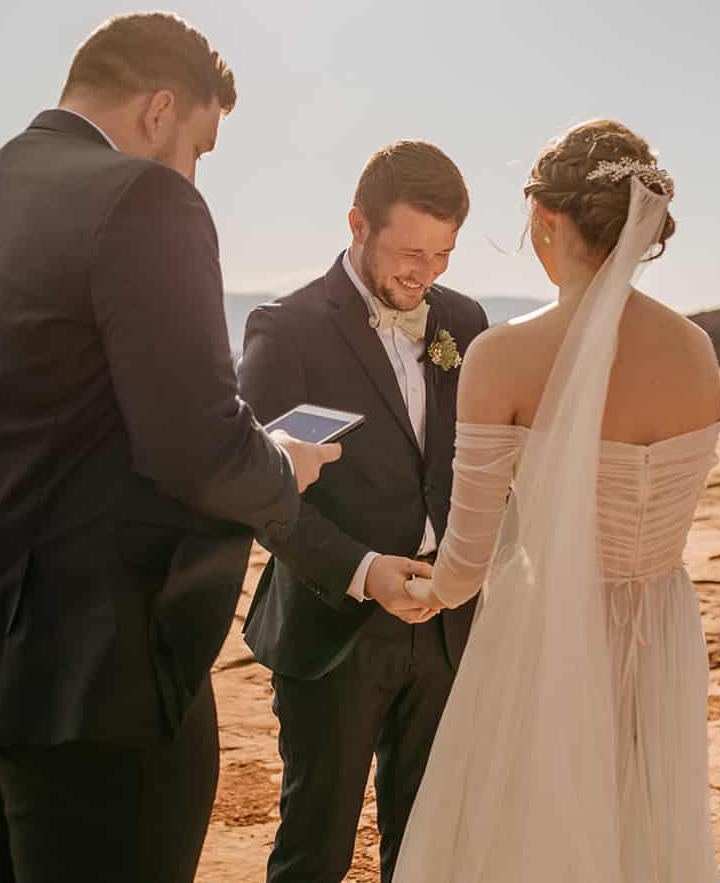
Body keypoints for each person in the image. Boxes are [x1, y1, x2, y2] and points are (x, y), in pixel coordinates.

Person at [0, 12, 339, 883]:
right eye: (200, 148)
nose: (194, 170)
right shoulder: (144, 196)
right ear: (159, 109)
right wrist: (283, 464)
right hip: (99, 674)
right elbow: (199, 446)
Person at [396, 120, 720, 880]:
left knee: (534, 833)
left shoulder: (504, 354)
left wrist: (417, 588)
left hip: (547, 633)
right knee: (648, 822)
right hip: (663, 626)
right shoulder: (697, 351)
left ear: (546, 220)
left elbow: (467, 560)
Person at [236, 140, 489, 883]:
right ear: (357, 223)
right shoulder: (287, 328)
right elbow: (264, 497)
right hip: (332, 628)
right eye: (411, 251)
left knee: (426, 846)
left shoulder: (465, 321)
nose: (427, 273)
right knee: (316, 847)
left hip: (445, 626)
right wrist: (364, 570)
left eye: (443, 253)